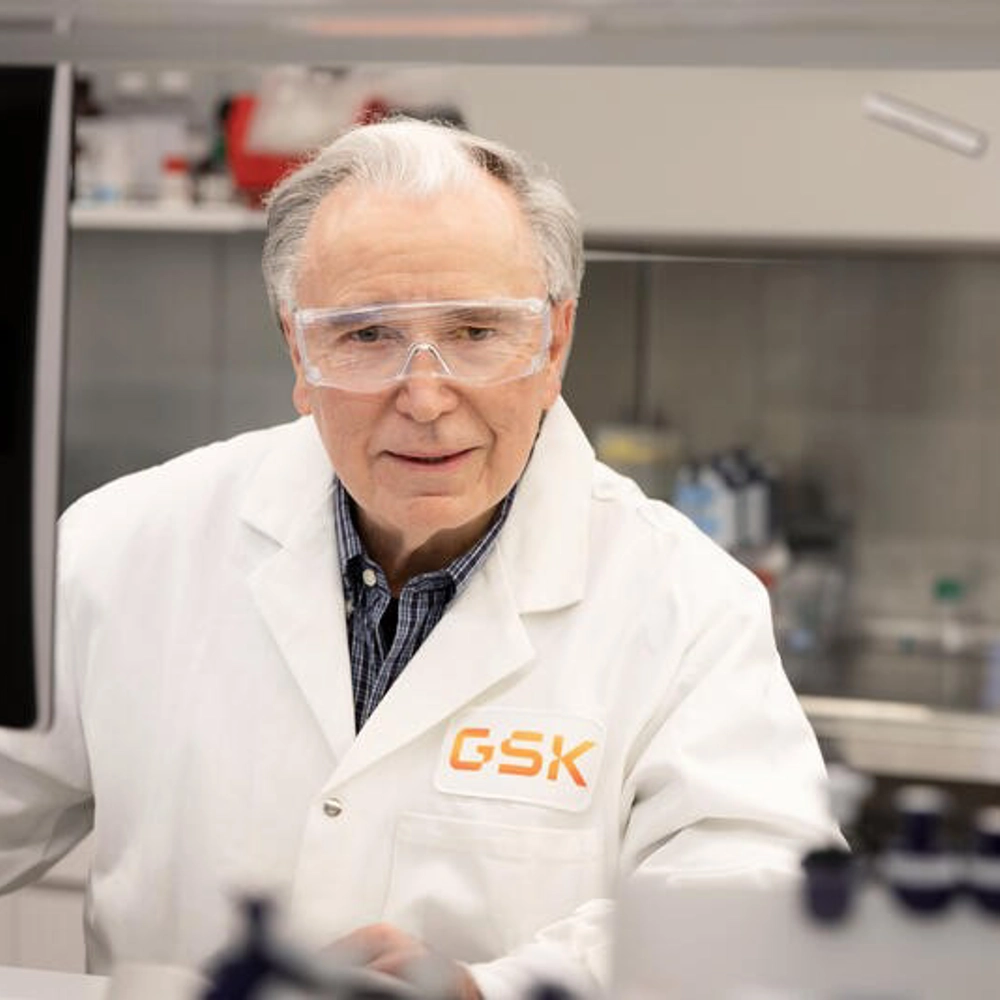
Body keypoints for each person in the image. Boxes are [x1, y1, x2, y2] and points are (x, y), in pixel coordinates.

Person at [0, 118, 839, 1000]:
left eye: (477, 331)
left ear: (554, 343)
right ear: (298, 347)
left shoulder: (684, 602)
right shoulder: (124, 547)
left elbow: (758, 906)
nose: (427, 397)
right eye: (364, 336)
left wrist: (497, 990)